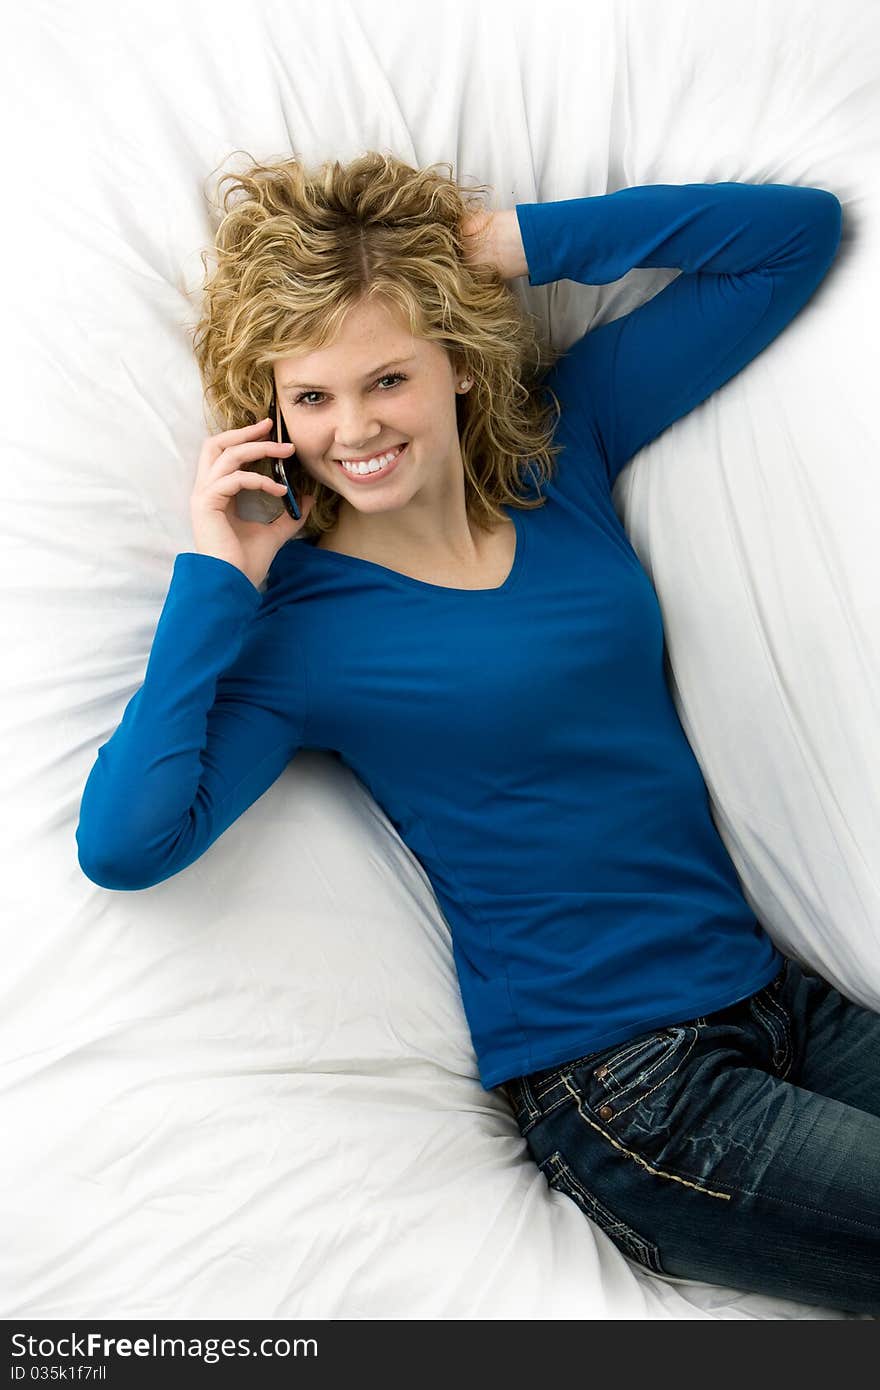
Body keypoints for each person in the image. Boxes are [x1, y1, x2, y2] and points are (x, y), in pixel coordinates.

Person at [75, 151, 880, 1316]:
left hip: (771, 998)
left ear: (453, 360)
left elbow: (788, 238)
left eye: (386, 378)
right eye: (311, 398)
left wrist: (512, 243)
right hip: (628, 1094)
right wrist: (215, 573)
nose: (352, 428)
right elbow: (128, 841)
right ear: (271, 410)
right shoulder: (297, 627)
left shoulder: (563, 449)